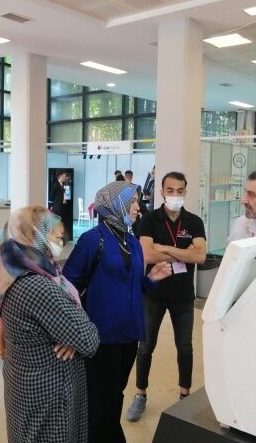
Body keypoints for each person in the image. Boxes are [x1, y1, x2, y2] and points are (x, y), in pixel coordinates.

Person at [62, 181, 172, 443]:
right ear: (115, 205)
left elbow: (132, 285)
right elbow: (67, 287)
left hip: (129, 333)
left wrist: (151, 279)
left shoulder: (131, 240)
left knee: (115, 394)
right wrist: (70, 332)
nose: (137, 207)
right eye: (132, 202)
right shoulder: (92, 240)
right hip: (102, 336)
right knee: (102, 400)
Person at [0, 206, 100, 443]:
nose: (61, 239)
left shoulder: (15, 272)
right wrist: (76, 335)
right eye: (54, 233)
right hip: (49, 397)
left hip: (26, 386)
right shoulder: (37, 285)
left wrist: (72, 335)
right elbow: (89, 340)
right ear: (31, 237)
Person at [126, 171, 206, 423]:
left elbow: (200, 256)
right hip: (154, 293)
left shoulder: (194, 222)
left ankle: (184, 395)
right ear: (161, 192)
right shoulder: (149, 219)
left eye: (179, 190)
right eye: (170, 190)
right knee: (145, 346)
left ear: (185, 192)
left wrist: (163, 248)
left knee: (185, 347)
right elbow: (146, 255)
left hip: (183, 295)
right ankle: (140, 394)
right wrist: (183, 252)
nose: (174, 195)